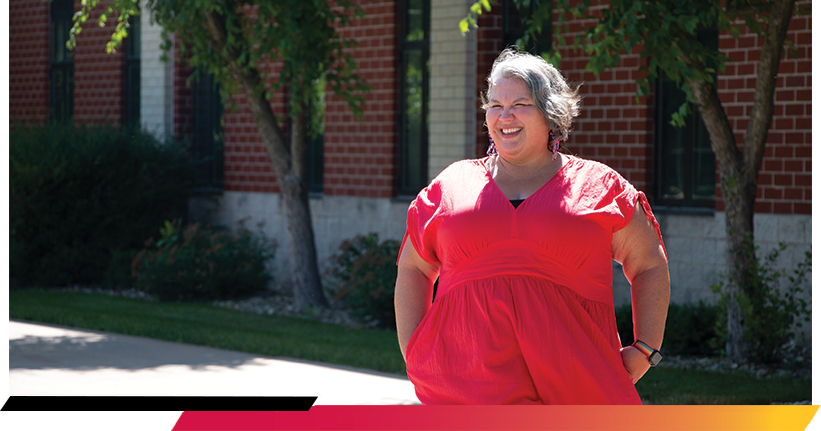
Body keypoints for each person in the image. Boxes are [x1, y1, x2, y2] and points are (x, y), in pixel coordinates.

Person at [393, 48, 670, 405]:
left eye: (519, 104)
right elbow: (414, 266)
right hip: (464, 397)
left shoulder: (599, 186)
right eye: (494, 105)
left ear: (550, 113)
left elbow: (649, 263)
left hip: (580, 392)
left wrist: (646, 347)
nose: (504, 116)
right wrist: (415, 348)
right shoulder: (451, 185)